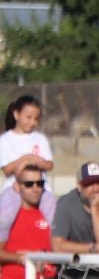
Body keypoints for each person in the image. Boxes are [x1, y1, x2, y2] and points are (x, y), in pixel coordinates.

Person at [1, 93, 55, 240]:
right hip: (13, 188)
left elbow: (49, 164)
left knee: (54, 220)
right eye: (28, 117)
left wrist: (33, 160)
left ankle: (55, 255)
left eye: (36, 119)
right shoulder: (5, 140)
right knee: (3, 218)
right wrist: (25, 159)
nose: (32, 122)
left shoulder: (40, 139)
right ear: (16, 114)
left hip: (41, 188)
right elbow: (7, 170)